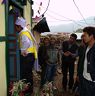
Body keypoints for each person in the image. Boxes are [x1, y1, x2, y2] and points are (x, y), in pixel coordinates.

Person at [15, 17, 37, 95]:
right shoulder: (26, 31)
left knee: (26, 73)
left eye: (16, 27)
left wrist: (23, 51)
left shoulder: (23, 33)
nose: (15, 29)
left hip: (27, 56)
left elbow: (27, 43)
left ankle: (27, 90)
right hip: (30, 55)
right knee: (28, 73)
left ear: (19, 26)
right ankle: (29, 89)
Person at [79, 26, 95, 96]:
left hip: (92, 81)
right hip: (83, 78)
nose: (83, 38)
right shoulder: (86, 47)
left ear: (91, 36)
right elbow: (82, 62)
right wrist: (79, 75)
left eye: (85, 35)